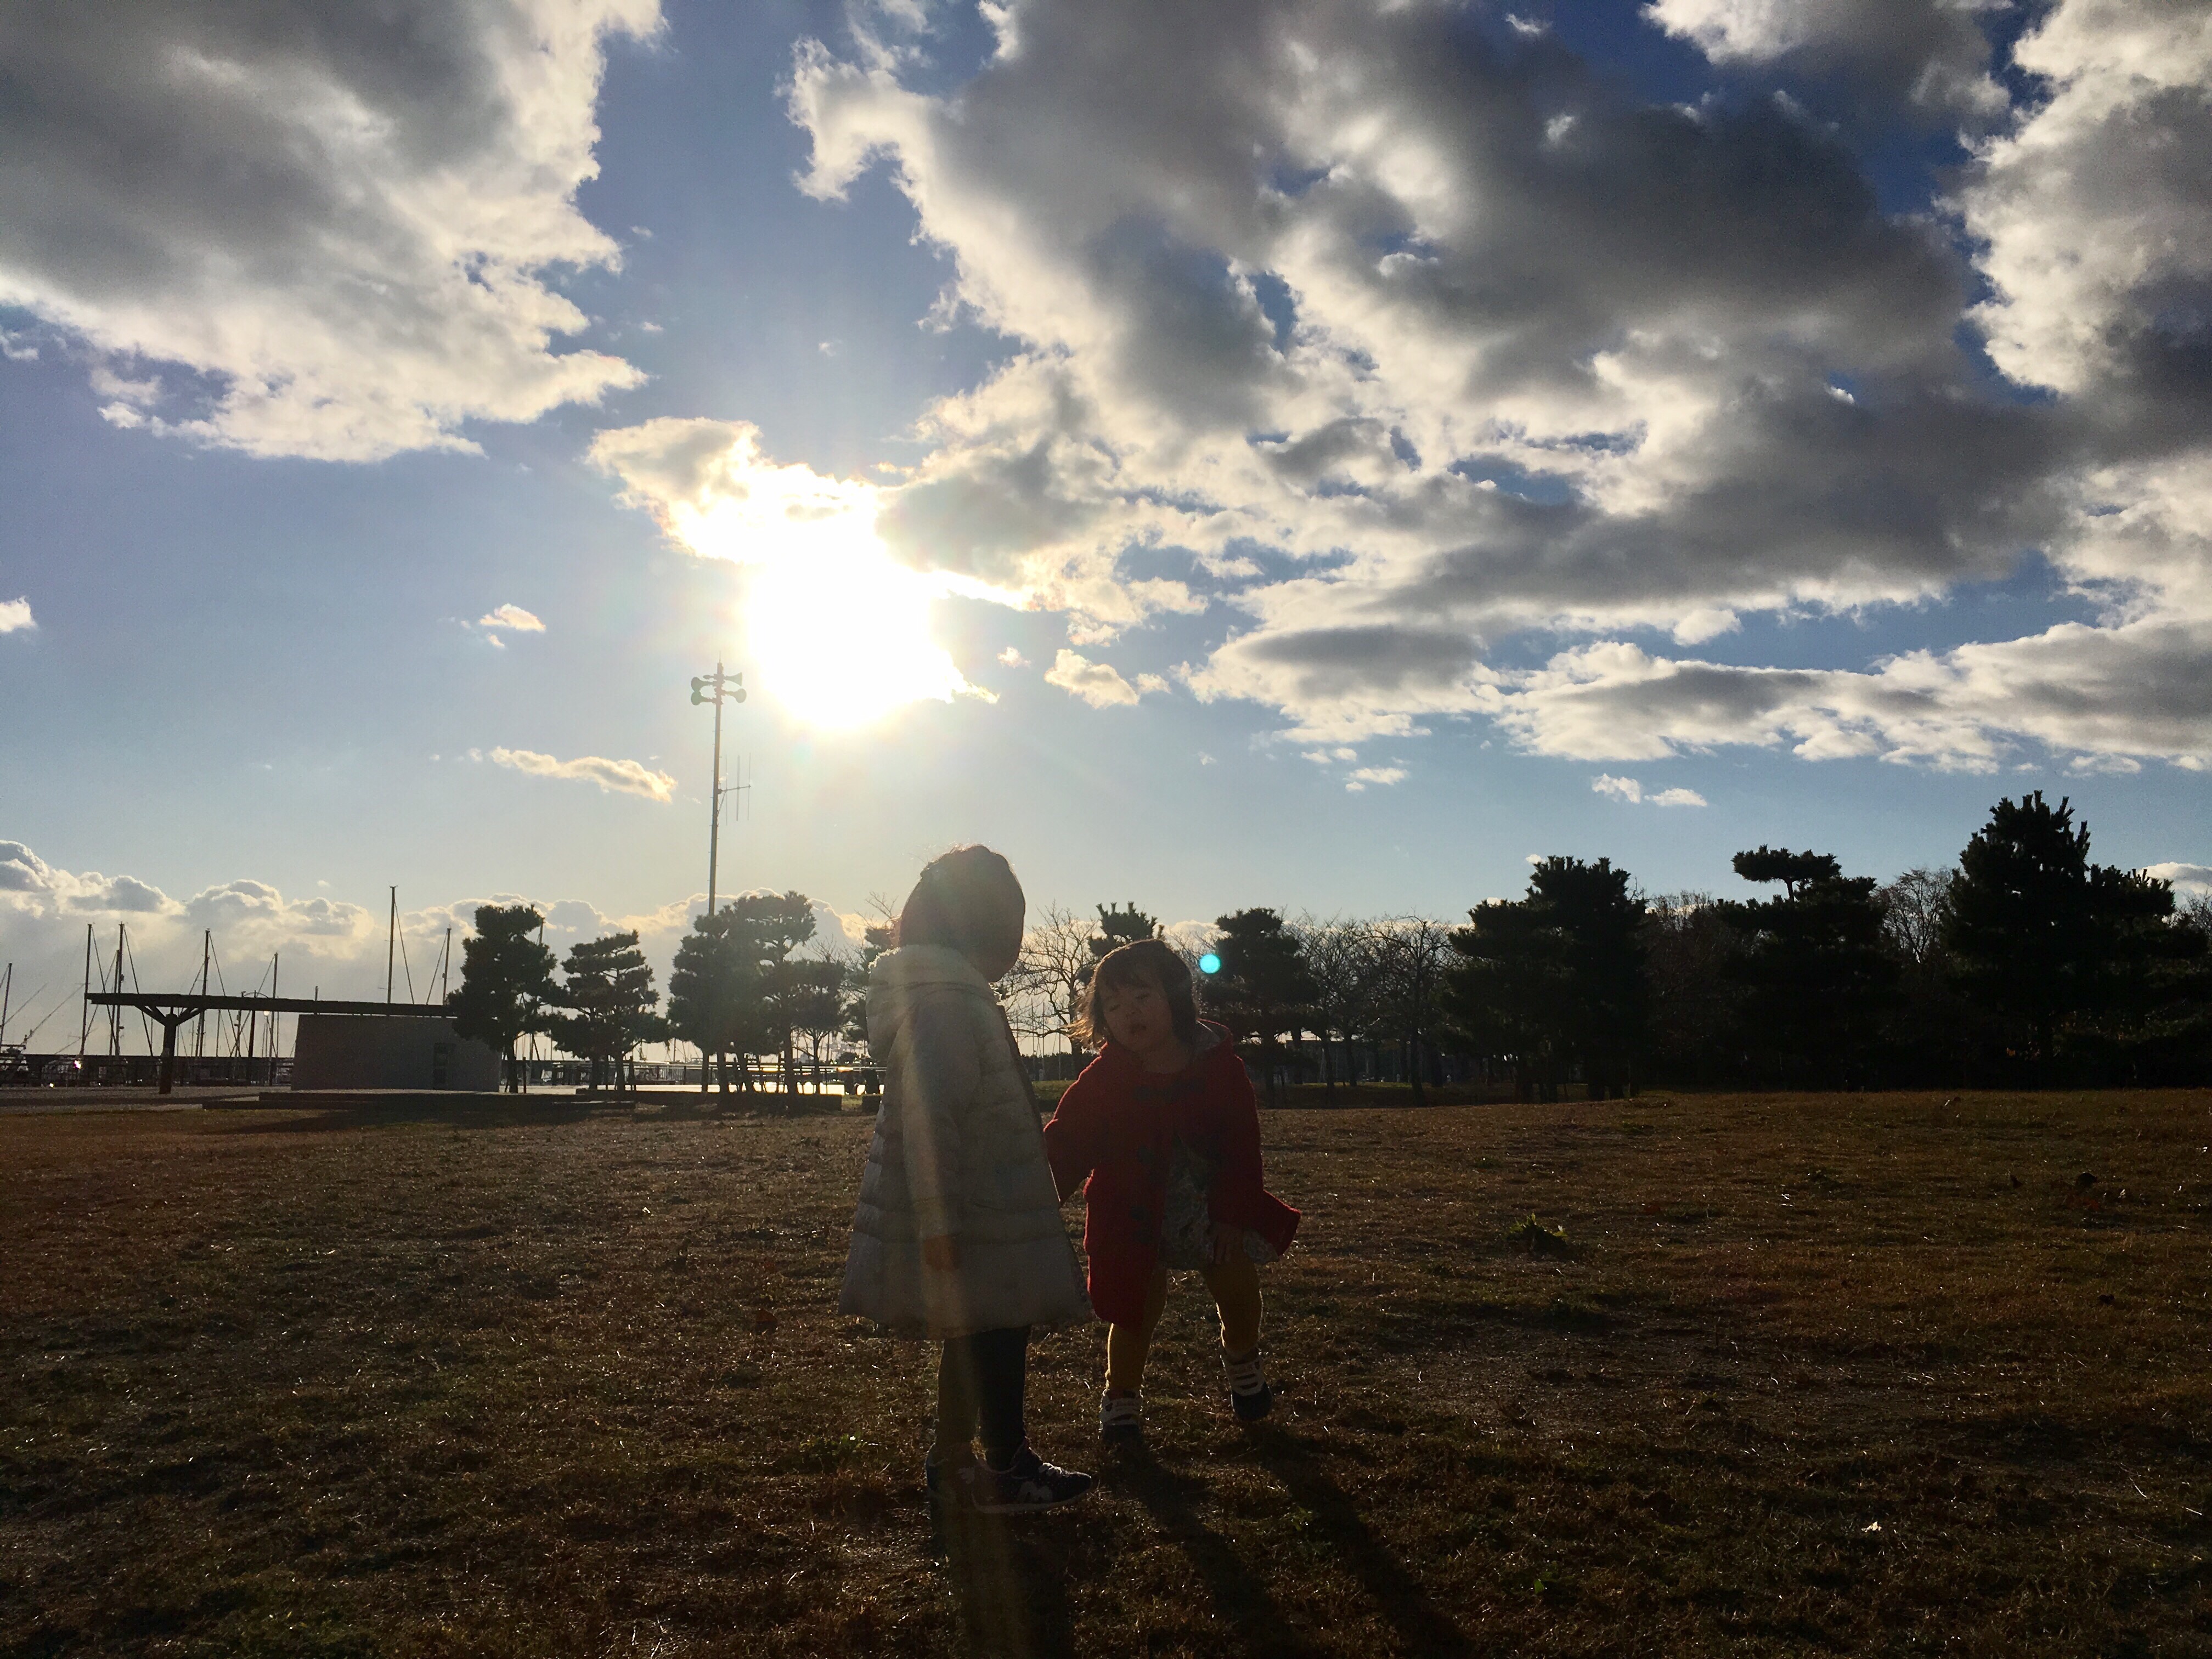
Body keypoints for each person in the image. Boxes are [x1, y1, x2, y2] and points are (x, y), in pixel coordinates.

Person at [838, 845, 1096, 1516]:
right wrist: (940, 1222)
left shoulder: (946, 996)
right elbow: (933, 1119)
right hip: (977, 1209)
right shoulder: (950, 1005)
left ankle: (956, 1464)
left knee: (979, 1331)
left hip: (979, 1205)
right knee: (999, 1334)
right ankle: (1004, 1465)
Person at [1043, 939, 1301, 1443]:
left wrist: (1232, 1216)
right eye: (1113, 1005)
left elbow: (1241, 1147)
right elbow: (1066, 1143)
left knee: (1238, 1288)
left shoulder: (1219, 1066)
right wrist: (1036, 1199)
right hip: (1131, 1213)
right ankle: (1121, 1397)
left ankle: (1242, 1360)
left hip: (1209, 1210)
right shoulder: (1104, 1078)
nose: (1129, 1013)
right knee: (1133, 1309)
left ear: (1175, 998)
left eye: (1142, 997)